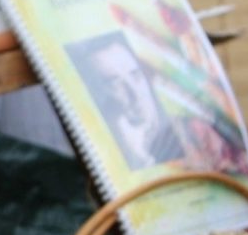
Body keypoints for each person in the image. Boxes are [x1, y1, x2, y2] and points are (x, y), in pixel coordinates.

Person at [66, 32, 185, 171]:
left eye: (135, 74)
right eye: (114, 83)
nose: (134, 92)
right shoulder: (101, 149)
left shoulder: (186, 128)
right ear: (97, 93)